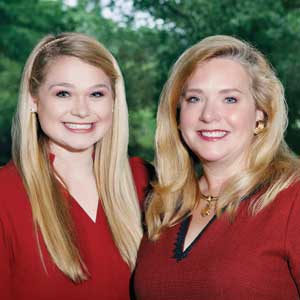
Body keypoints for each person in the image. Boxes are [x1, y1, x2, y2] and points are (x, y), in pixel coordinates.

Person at [133, 35, 300, 299]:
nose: (209, 115)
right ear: (177, 115)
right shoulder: (162, 205)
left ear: (261, 114)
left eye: (230, 99)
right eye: (194, 99)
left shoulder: (293, 197)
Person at [0, 32, 148, 300]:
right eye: (64, 93)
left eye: (96, 94)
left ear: (114, 101)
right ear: (34, 99)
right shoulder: (5, 194)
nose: (81, 110)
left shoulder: (143, 180)